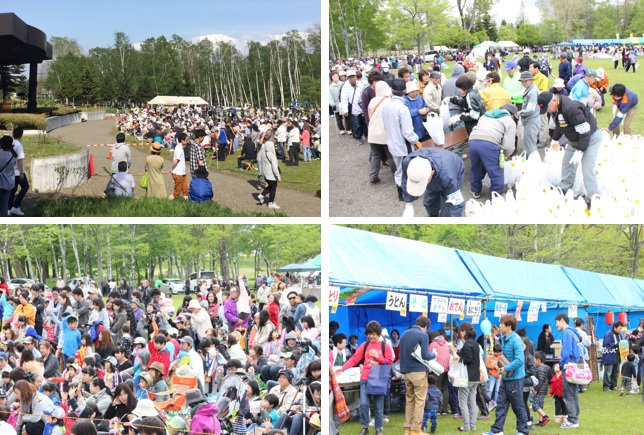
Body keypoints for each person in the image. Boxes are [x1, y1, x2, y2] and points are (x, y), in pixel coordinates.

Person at [537, 91, 601, 204]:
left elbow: (585, 132)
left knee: (587, 169)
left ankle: (592, 198)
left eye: (547, 108)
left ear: (555, 101)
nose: (548, 111)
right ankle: (565, 189)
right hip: (574, 139)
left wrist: (580, 150)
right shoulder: (555, 109)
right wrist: (555, 139)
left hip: (590, 138)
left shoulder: (572, 109)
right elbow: (560, 125)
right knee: (567, 164)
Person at [338, 320, 393, 435]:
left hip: (379, 379)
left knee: (378, 406)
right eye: (369, 333)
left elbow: (389, 361)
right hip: (365, 379)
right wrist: (342, 368)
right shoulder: (365, 345)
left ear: (379, 334)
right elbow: (354, 359)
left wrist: (377, 357)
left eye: (374, 334)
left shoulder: (385, 346)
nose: (371, 336)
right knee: (364, 404)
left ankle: (378, 429)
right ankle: (365, 427)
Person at [483, 314, 528, 435]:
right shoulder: (504, 338)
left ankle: (523, 431)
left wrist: (505, 368)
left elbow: (520, 360)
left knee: (518, 405)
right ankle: (497, 430)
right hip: (506, 378)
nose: (499, 325)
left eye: (501, 324)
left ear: (508, 326)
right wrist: (502, 372)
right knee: (501, 404)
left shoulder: (516, 340)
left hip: (516, 379)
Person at [467, 103, 518, 198]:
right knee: (496, 172)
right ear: (512, 115)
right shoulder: (509, 121)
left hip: (472, 141)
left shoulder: (485, 116)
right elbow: (509, 146)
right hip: (489, 144)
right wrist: (504, 155)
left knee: (476, 167)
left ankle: (475, 190)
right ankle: (495, 197)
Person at [381, 77, 419, 201]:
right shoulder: (402, 108)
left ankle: (402, 193)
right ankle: (406, 194)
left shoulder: (386, 106)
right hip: (403, 144)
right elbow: (407, 132)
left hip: (392, 141)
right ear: (404, 91)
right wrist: (415, 139)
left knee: (399, 169)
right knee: (406, 170)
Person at [400, 147, 465, 218]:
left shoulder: (448, 176)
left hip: (453, 168)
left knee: (447, 210)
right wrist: (408, 204)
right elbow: (405, 181)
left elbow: (456, 203)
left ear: (431, 173)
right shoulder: (408, 163)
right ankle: (433, 215)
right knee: (430, 202)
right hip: (437, 168)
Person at [399, 316, 434, 435]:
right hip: (418, 372)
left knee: (409, 400)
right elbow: (425, 355)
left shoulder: (404, 334)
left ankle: (407, 428)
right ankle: (416, 429)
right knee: (420, 401)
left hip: (406, 373)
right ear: (426, 327)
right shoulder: (423, 335)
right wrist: (434, 354)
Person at [554, 313, 581, 429]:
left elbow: (566, 352)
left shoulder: (567, 333)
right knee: (574, 394)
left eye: (556, 323)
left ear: (562, 321)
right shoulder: (574, 333)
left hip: (569, 366)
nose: (556, 325)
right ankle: (575, 418)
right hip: (576, 364)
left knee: (568, 394)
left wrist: (560, 365)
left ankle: (572, 420)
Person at [454, 322, 480, 432]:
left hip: (466, 377)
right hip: (475, 377)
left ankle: (466, 425)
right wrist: (459, 352)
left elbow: (468, 359)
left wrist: (458, 357)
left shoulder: (468, 344)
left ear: (464, 331)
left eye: (461, 331)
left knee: (463, 401)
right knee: (472, 402)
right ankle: (473, 426)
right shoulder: (475, 343)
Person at [367, 80, 394, 184]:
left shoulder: (373, 101)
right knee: (390, 155)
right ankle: (396, 175)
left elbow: (370, 116)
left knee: (375, 155)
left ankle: (373, 176)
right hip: (384, 132)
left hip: (373, 132)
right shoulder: (389, 101)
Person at [256, 127, 281, 210]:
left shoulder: (264, 153)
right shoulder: (272, 155)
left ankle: (261, 195)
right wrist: (278, 176)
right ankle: (271, 202)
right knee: (273, 188)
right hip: (271, 174)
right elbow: (274, 166)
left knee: (269, 186)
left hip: (266, 173)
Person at [601, 320, 625, 391]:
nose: (621, 330)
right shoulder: (608, 334)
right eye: (620, 328)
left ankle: (613, 386)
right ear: (615, 327)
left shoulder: (620, 335)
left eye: (621, 329)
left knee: (616, 372)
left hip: (617, 355)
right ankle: (606, 387)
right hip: (609, 355)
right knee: (608, 372)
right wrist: (617, 345)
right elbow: (608, 344)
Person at [533, 351, 552, 426]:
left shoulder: (540, 369)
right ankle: (541, 420)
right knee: (540, 405)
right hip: (544, 390)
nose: (533, 361)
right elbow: (549, 378)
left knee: (535, 405)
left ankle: (545, 417)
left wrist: (536, 389)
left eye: (534, 359)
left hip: (540, 390)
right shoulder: (547, 368)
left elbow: (541, 380)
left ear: (538, 360)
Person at [0, 136, 16, 217]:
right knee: (4, 204)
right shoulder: (13, 155)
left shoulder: (0, 155)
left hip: (1, 183)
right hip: (9, 184)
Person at [169, 131, 188, 200]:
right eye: (186, 140)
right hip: (178, 172)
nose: (187, 141)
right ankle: (170, 199)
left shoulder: (179, 147)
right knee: (177, 190)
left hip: (182, 172)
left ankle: (186, 199)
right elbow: (176, 161)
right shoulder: (179, 149)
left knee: (185, 188)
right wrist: (172, 169)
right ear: (182, 141)